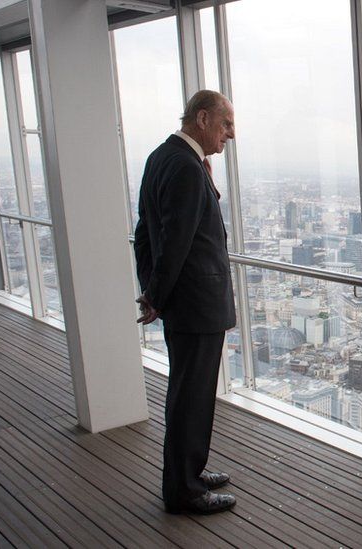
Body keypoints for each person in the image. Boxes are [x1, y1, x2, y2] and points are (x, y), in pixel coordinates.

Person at [134, 90, 237, 515]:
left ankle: (189, 472)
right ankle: (184, 490)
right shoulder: (187, 169)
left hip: (183, 302)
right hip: (196, 304)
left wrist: (151, 291)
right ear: (203, 118)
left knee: (187, 394)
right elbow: (174, 243)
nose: (231, 133)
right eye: (226, 123)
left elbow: (145, 233)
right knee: (191, 397)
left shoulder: (161, 157)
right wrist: (156, 295)